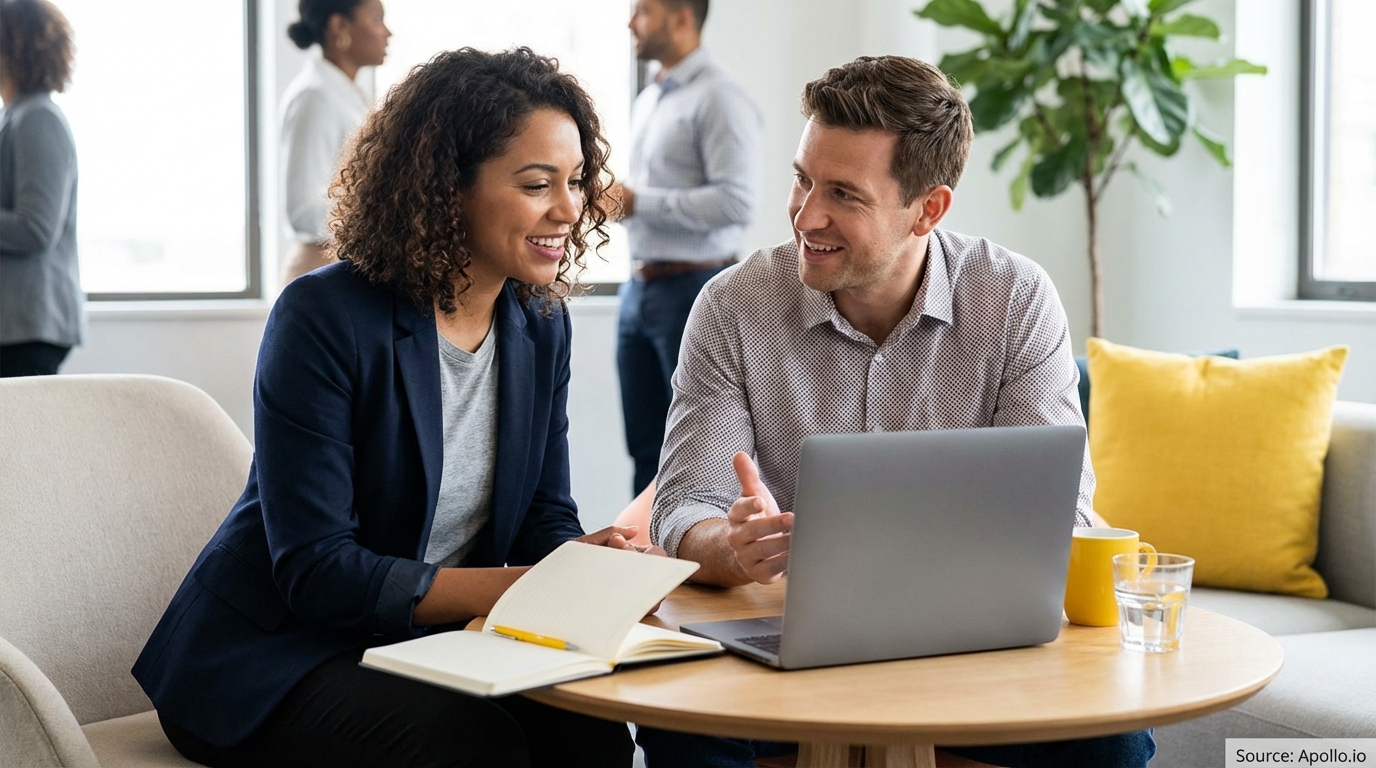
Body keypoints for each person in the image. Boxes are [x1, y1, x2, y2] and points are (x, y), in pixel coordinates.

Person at [640, 56, 1155, 768]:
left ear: (929, 209)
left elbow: (1058, 514)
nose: (805, 215)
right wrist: (729, 547)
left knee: (1115, 743)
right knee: (681, 723)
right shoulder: (733, 306)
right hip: (783, 644)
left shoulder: (1015, 300)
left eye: (844, 195)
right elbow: (685, 505)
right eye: (802, 179)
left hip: (969, 648)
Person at [133, 47, 639, 768]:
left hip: (423, 642)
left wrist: (591, 566)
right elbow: (317, 570)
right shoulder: (323, 317)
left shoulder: (540, 323)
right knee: (470, 743)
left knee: (590, 734)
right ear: (447, 187)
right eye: (537, 184)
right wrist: (521, 587)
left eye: (578, 182)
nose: (571, 209)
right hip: (278, 656)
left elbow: (539, 517)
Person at [611, 0, 762, 495]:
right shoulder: (649, 100)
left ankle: (697, 561)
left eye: (643, 10)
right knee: (643, 449)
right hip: (639, 290)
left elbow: (736, 202)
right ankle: (644, 566)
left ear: (681, 17)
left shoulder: (720, 97)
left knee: (695, 452)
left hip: (694, 288)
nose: (631, 21)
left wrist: (639, 202)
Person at [278, 0, 389, 283]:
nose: (387, 32)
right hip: (318, 276)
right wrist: (386, 211)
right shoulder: (315, 97)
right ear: (340, 26)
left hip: (342, 272)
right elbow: (302, 210)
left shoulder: (348, 94)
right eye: (376, 19)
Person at [0, 0, 83, 377]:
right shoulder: (17, 116)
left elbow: (36, 228)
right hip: (18, 326)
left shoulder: (37, 119)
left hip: (29, 327)